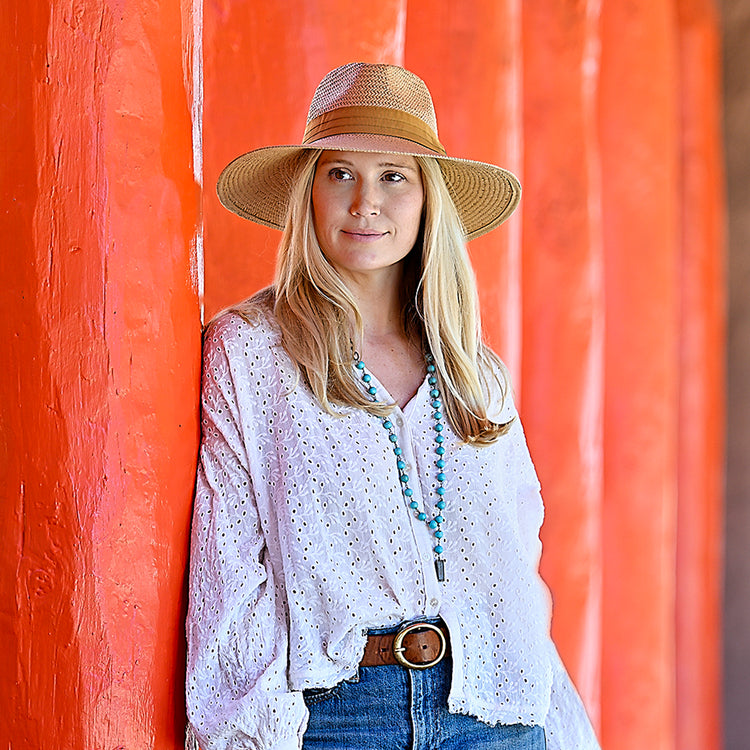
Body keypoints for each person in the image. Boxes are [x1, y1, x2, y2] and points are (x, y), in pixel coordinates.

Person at [186, 62, 600, 750]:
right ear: (308, 194)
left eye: (393, 177)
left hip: (495, 713)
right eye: (340, 173)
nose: (365, 201)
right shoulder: (251, 352)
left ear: (427, 201)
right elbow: (231, 569)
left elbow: (513, 567)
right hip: (339, 717)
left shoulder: (473, 371)